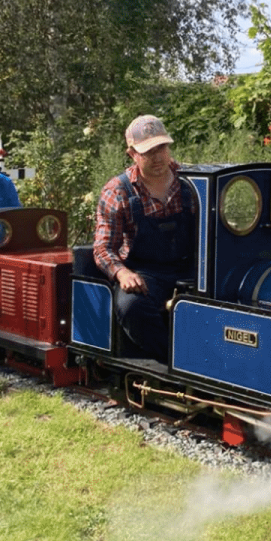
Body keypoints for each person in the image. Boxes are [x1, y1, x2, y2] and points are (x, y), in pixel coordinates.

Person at [93, 114, 197, 361]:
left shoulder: (191, 182)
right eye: (148, 151)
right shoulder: (117, 191)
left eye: (161, 147)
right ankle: (174, 360)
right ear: (132, 153)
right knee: (131, 307)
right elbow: (103, 248)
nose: (158, 156)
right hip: (145, 274)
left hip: (189, 269)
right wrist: (122, 274)